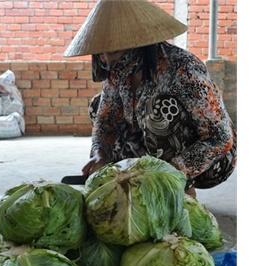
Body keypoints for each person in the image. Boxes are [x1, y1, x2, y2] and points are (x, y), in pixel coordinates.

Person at [64, 0, 236, 196]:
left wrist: (171, 172)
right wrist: (100, 154)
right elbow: (106, 122)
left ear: (139, 45)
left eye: (113, 51)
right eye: (100, 53)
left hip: (210, 159)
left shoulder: (183, 68)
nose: (106, 59)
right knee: (99, 105)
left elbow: (220, 138)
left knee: (158, 110)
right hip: (155, 151)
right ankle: (140, 178)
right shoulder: (117, 70)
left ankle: (181, 188)